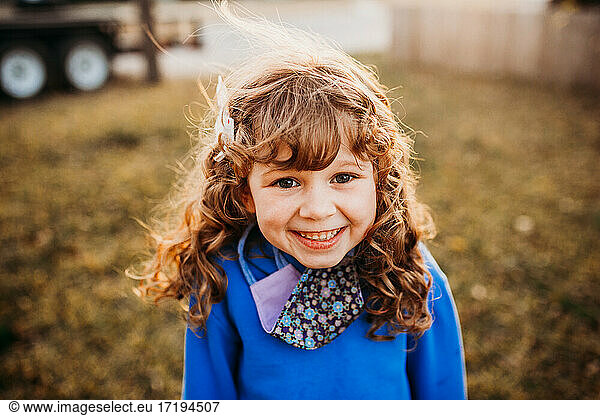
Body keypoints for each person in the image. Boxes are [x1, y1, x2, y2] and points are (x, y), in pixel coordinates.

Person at [131, 4, 466, 400]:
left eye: (343, 177)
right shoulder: (222, 279)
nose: (318, 209)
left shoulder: (412, 271)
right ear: (245, 192)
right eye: (287, 181)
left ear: (379, 181)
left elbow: (443, 393)